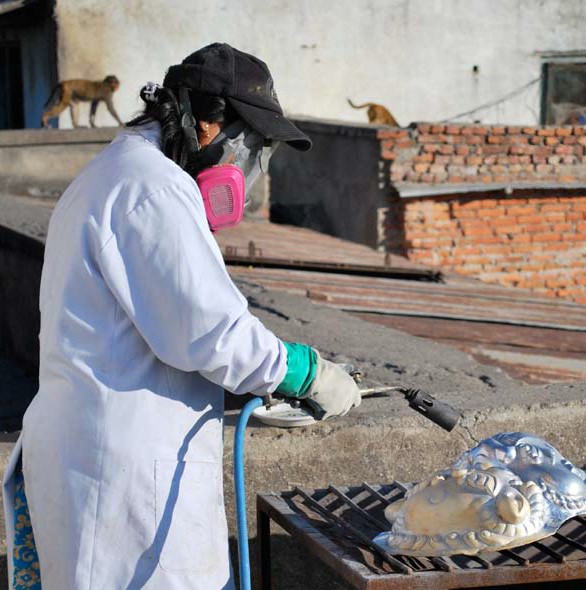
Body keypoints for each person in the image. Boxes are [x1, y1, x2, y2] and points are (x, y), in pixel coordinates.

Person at [2, 43, 361, 590]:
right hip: (122, 481)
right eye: (255, 147)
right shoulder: (151, 188)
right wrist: (305, 372)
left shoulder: (117, 171)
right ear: (210, 127)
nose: (253, 168)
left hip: (92, 455)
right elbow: (211, 331)